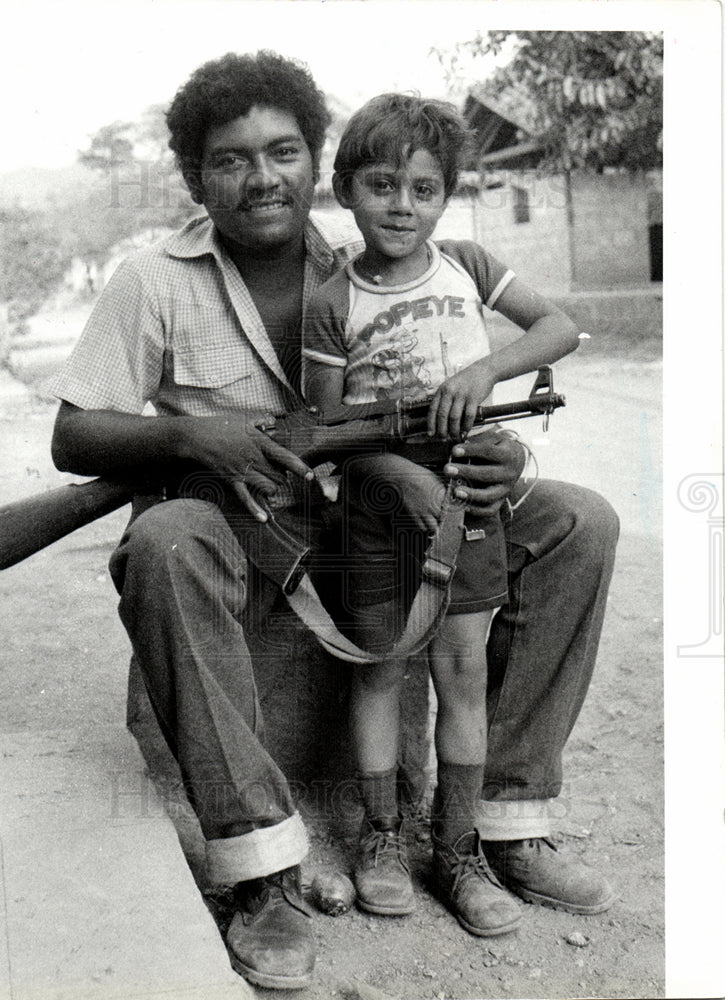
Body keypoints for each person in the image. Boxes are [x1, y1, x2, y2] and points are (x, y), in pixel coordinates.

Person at [49, 51, 619, 991]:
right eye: (230, 159)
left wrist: (497, 453)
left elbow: (473, 373)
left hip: (391, 517)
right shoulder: (150, 280)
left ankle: (499, 826)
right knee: (160, 540)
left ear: (318, 165)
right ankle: (260, 871)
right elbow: (74, 436)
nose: (262, 176)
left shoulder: (377, 246)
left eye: (283, 153)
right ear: (195, 176)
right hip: (251, 526)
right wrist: (197, 437)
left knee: (579, 521)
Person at [302, 92, 584, 936]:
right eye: (381, 185)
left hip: (468, 490)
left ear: (446, 196)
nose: (402, 205)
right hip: (371, 502)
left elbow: (559, 327)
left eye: (423, 189)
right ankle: (383, 839)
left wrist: (485, 373)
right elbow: (324, 430)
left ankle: (455, 851)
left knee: (463, 670)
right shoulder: (329, 300)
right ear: (347, 190)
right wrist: (395, 475)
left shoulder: (464, 262)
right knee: (380, 667)